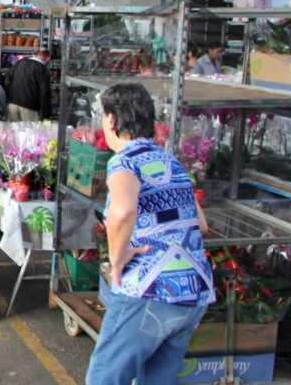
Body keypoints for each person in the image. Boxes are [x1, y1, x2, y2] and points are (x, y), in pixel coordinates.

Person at [85, 83, 213, 385]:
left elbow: (122, 211)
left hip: (149, 290)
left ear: (112, 120)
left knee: (103, 378)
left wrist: (118, 258)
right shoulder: (172, 162)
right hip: (194, 293)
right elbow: (202, 224)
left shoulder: (125, 162)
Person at [5, 47, 52, 120]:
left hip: (12, 104)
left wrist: (9, 98)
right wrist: (46, 114)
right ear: (48, 58)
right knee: (29, 130)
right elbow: (44, 92)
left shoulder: (19, 62)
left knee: (11, 130)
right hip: (29, 106)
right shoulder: (42, 69)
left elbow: (7, 80)